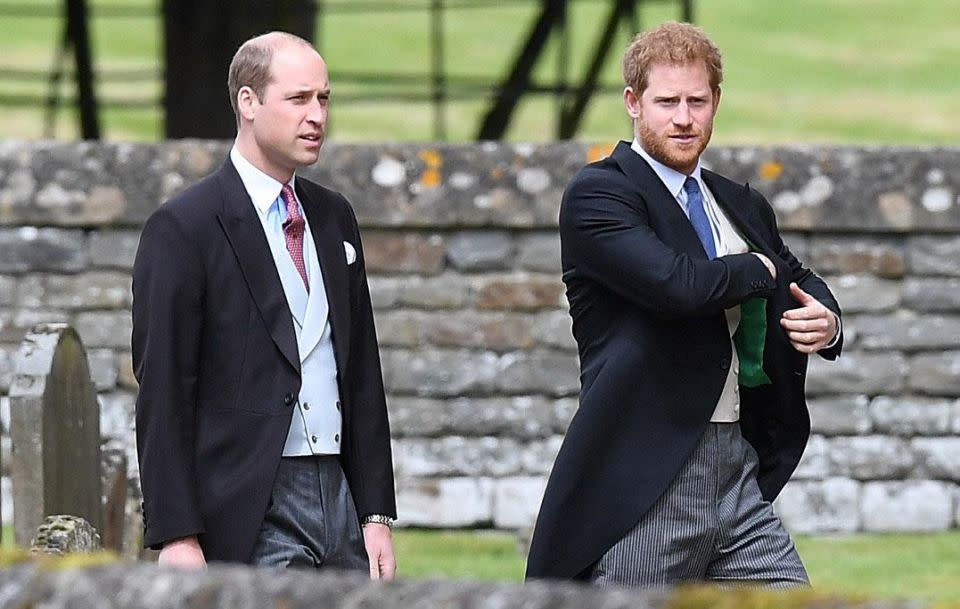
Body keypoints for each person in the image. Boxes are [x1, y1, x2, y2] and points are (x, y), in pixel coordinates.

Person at [525, 22, 842, 587]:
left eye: (697, 101)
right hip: (645, 475)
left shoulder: (739, 202)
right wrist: (755, 268)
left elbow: (796, 276)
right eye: (666, 101)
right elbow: (678, 286)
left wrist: (827, 320)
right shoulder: (600, 194)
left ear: (715, 101)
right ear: (633, 102)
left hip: (737, 468)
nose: (683, 117)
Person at [132, 31, 396, 578]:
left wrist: (375, 513)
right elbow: (163, 388)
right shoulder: (183, 227)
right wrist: (176, 534)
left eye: (324, 99)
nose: (316, 115)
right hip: (247, 500)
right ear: (248, 103)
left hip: (340, 494)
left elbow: (362, 372)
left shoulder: (334, 217)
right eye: (299, 99)